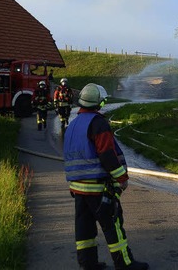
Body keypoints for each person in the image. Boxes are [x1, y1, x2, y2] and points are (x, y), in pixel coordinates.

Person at [63, 83, 148, 270]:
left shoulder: (73, 124)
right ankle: (125, 264)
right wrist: (121, 178)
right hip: (98, 187)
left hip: (77, 188)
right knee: (112, 225)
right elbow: (107, 154)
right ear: (99, 102)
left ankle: (88, 264)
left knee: (84, 228)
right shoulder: (98, 123)